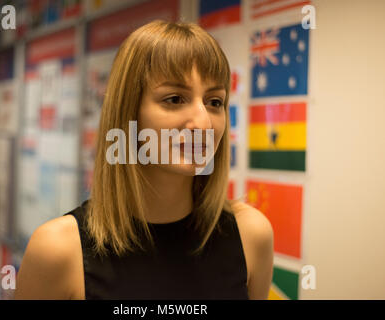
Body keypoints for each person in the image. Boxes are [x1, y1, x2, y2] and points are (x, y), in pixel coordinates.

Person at [14, 19, 273, 300]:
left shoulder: (251, 235)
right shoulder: (58, 250)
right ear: (129, 113)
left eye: (214, 102)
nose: (203, 122)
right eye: (174, 99)